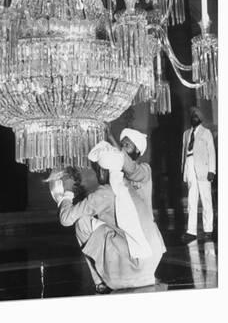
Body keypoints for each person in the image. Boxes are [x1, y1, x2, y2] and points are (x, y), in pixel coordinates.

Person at [49, 142, 166, 293]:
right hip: (150, 267)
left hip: (133, 271)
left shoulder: (104, 193)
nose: (97, 174)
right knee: (101, 224)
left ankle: (100, 282)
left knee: (82, 222)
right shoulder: (127, 186)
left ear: (103, 172)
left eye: (97, 169)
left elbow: (66, 219)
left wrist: (68, 192)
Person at [181, 106, 216, 243]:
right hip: (189, 166)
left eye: (196, 116)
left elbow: (211, 152)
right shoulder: (186, 134)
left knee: (206, 199)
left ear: (200, 119)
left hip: (203, 169)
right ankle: (191, 231)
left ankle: (208, 230)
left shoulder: (206, 133)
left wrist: (211, 170)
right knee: (191, 200)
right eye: (192, 116)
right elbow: (183, 154)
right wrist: (184, 172)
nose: (193, 118)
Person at [105, 125, 153, 212]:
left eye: (127, 145)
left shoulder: (145, 170)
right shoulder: (119, 170)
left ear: (137, 149)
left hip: (141, 222)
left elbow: (131, 169)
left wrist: (110, 137)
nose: (123, 148)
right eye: (122, 145)